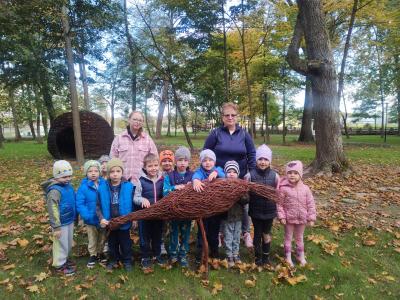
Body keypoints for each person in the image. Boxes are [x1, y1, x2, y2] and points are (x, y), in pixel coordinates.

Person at [203, 102, 256, 248]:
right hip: (219, 176)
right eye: (227, 115)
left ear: (237, 117)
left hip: (240, 176)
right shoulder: (216, 133)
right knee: (221, 204)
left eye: (233, 115)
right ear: (222, 117)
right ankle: (220, 234)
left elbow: (252, 153)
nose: (230, 117)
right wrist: (210, 171)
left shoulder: (244, 134)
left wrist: (251, 172)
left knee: (242, 205)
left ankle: (245, 233)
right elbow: (206, 152)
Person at [97, 158, 135, 271]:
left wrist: (133, 219)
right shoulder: (102, 187)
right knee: (112, 244)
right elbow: (97, 206)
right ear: (108, 173)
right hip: (110, 222)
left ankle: (127, 260)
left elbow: (133, 204)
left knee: (125, 243)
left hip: (124, 221)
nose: (115, 174)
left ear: (122, 172)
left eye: (118, 171)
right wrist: (101, 218)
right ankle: (113, 259)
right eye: (112, 172)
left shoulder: (129, 186)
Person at [277, 160, 316, 267]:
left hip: (302, 218)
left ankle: (300, 255)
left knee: (299, 237)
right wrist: (281, 216)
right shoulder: (283, 189)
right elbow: (279, 204)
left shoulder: (305, 189)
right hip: (289, 218)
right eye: (289, 173)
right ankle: (288, 257)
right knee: (288, 237)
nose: (292, 175)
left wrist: (311, 218)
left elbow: (311, 203)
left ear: (300, 174)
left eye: (295, 173)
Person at [41, 160, 76, 276]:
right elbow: (53, 209)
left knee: (67, 241)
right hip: (60, 224)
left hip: (69, 219)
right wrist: (56, 227)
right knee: (60, 243)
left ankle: (64, 259)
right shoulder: (55, 191)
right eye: (64, 177)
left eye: (69, 176)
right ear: (56, 177)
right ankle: (59, 266)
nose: (67, 179)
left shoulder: (68, 186)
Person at [246, 144, 279, 266]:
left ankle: (266, 256)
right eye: (260, 159)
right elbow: (245, 192)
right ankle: (257, 257)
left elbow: (278, 192)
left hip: (270, 211)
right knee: (257, 233)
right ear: (256, 160)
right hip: (256, 211)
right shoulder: (250, 175)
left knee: (266, 233)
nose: (263, 162)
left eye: (266, 159)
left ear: (269, 161)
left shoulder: (275, 176)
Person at [133, 153, 165, 271]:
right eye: (150, 166)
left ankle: (157, 255)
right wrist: (142, 199)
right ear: (145, 167)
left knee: (157, 236)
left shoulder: (162, 180)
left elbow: (165, 194)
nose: (153, 168)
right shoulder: (141, 181)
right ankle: (145, 257)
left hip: (158, 215)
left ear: (159, 166)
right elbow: (135, 197)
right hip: (145, 216)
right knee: (144, 237)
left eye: (156, 165)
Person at [163, 146, 194, 267]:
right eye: (180, 160)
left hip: (187, 212)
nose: (182, 163)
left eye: (185, 160)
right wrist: (173, 188)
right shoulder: (169, 176)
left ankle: (183, 254)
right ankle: (173, 254)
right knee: (174, 233)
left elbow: (198, 191)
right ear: (175, 161)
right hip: (174, 212)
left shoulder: (193, 176)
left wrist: (190, 187)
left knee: (186, 234)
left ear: (188, 162)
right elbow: (164, 192)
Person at [193, 149, 225, 262]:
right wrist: (196, 181)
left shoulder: (218, 170)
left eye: (210, 160)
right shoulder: (199, 172)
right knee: (202, 234)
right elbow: (195, 176)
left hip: (215, 210)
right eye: (204, 160)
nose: (207, 162)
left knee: (214, 234)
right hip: (203, 210)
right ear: (201, 162)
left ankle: (214, 254)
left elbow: (223, 174)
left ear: (214, 161)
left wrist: (216, 173)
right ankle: (199, 256)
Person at [110, 111, 158, 184]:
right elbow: (112, 159)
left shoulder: (147, 139)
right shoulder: (119, 138)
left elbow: (155, 158)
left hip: (142, 182)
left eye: (140, 120)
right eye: (135, 119)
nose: (137, 122)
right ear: (129, 120)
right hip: (122, 181)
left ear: (142, 123)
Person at [76, 160, 107, 268]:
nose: (93, 173)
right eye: (90, 171)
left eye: (95, 171)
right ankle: (93, 254)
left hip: (102, 218)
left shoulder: (104, 184)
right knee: (92, 238)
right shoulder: (83, 187)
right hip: (90, 218)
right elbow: (80, 203)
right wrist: (86, 215)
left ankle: (101, 252)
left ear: (99, 172)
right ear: (86, 173)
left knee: (102, 237)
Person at [222, 161, 249, 267]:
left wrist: (239, 195)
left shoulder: (241, 185)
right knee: (228, 236)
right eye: (229, 171)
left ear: (238, 173)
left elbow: (246, 199)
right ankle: (229, 255)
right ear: (225, 173)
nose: (231, 174)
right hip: (227, 217)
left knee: (236, 236)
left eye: (234, 172)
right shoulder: (223, 185)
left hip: (238, 216)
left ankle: (236, 254)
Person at [159, 149, 175, 255]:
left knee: (172, 226)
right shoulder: (159, 174)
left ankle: (173, 245)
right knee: (162, 226)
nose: (167, 163)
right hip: (161, 203)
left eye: (169, 160)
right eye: (164, 161)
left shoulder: (175, 174)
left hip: (173, 205)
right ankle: (161, 244)